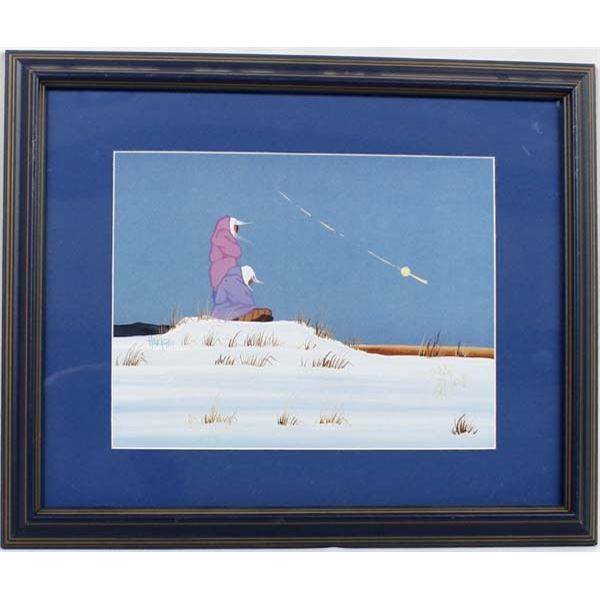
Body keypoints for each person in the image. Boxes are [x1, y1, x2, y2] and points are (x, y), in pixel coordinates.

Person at [208, 216, 251, 295]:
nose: (236, 231)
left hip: (221, 272)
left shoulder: (221, 237)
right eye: (235, 228)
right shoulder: (223, 236)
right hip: (223, 271)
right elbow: (236, 252)